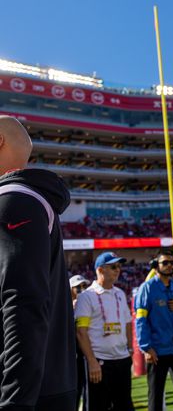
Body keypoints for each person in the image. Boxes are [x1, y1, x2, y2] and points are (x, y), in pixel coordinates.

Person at [0, 115, 76, 410]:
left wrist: (14, 402)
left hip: (29, 394)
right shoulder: (26, 200)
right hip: (45, 385)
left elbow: (24, 304)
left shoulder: (14, 200)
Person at [134, 253, 173, 411]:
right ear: (155, 266)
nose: (169, 265)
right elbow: (141, 320)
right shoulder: (147, 288)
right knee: (156, 395)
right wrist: (146, 347)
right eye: (165, 262)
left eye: (171, 263)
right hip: (157, 351)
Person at [74, 252, 133, 411]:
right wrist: (92, 361)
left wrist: (130, 350)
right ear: (100, 270)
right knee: (97, 406)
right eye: (113, 266)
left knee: (124, 406)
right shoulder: (86, 296)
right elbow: (81, 331)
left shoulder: (120, 293)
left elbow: (128, 323)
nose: (118, 270)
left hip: (122, 360)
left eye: (119, 266)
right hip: (100, 362)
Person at [70, 274, 90, 411]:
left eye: (84, 286)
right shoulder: (63, 306)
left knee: (88, 391)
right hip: (72, 355)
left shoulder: (89, 303)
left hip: (88, 352)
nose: (82, 289)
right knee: (74, 391)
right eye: (78, 287)